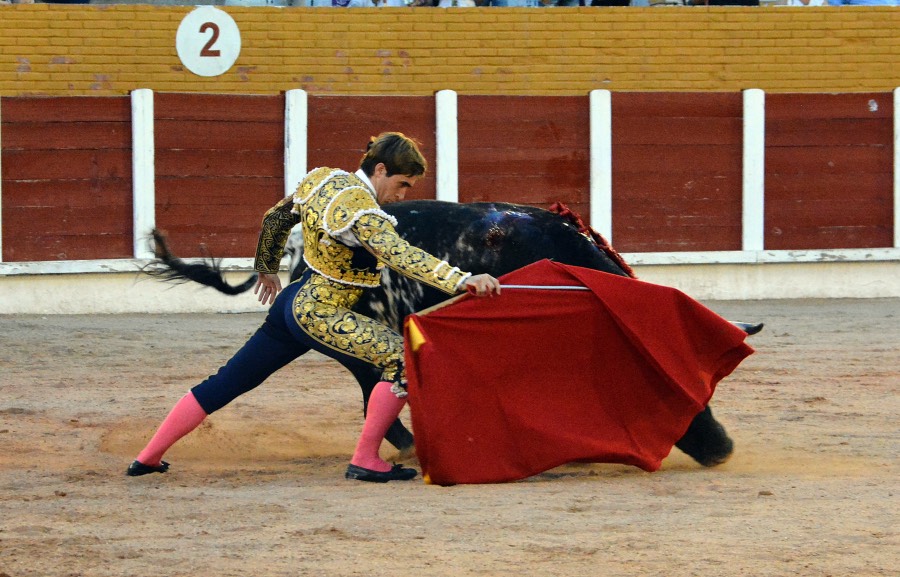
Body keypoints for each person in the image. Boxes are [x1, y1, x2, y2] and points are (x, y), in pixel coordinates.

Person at [127, 132, 501, 483]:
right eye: (402, 183)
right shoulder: (363, 212)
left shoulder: (323, 179)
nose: (402, 195)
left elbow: (276, 217)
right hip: (322, 313)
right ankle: (365, 460)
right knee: (403, 358)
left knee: (228, 381)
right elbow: (399, 254)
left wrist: (267, 267)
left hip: (292, 302)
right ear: (381, 169)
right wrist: (461, 280)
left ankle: (147, 456)